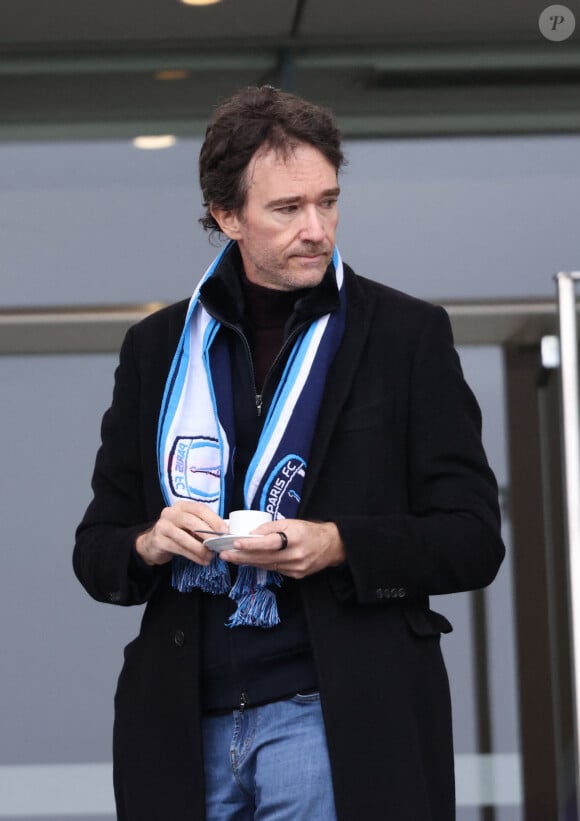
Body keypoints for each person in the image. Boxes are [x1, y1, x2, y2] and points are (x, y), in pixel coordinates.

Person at [73, 85, 505, 821]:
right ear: (226, 215)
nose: (318, 228)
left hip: (336, 718)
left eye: (328, 202)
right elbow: (97, 550)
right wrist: (150, 541)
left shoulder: (406, 335)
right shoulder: (157, 349)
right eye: (288, 208)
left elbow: (472, 539)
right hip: (182, 726)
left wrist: (338, 543)